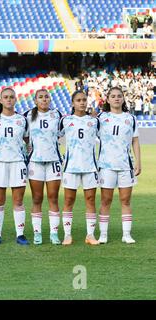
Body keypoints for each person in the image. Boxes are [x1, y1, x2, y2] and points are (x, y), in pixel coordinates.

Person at [97, 87, 141, 244]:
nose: (116, 98)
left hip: (125, 165)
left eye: (119, 96)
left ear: (123, 99)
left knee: (125, 200)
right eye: (113, 96)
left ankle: (126, 234)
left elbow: (135, 141)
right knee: (105, 200)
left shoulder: (130, 118)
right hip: (106, 165)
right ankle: (103, 235)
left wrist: (138, 161)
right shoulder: (101, 118)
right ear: (107, 100)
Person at [0, 88, 29, 245]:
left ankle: (20, 235)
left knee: (18, 201)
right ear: (1, 100)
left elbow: (27, 141)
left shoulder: (22, 120)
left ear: (16, 99)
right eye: (6, 97)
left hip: (18, 163)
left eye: (11, 97)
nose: (9, 99)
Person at [59, 91, 100, 246]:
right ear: (72, 103)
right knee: (69, 200)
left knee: (90, 200)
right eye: (78, 100)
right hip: (71, 166)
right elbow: (52, 135)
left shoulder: (94, 121)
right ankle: (67, 235)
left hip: (90, 167)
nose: (82, 102)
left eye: (84, 100)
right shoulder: (65, 120)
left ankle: (90, 235)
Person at [23, 89, 63, 245]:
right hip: (35, 162)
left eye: (47, 97)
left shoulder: (57, 115)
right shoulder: (27, 116)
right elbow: (24, 135)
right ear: (35, 100)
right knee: (37, 198)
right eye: (41, 97)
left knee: (53, 197)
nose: (44, 99)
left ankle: (54, 233)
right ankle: (37, 233)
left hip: (53, 161)